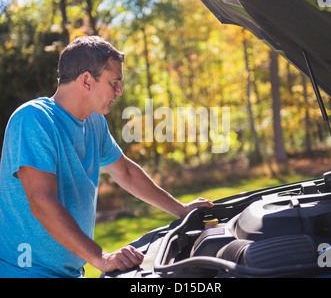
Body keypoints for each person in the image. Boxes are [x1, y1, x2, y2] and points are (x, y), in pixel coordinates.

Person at [0, 36, 213, 278]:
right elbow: (41, 202)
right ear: (87, 81)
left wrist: (181, 210)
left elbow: (126, 172)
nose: (119, 91)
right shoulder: (32, 119)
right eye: (115, 82)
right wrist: (101, 258)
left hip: (70, 272)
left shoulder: (94, 123)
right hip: (24, 271)